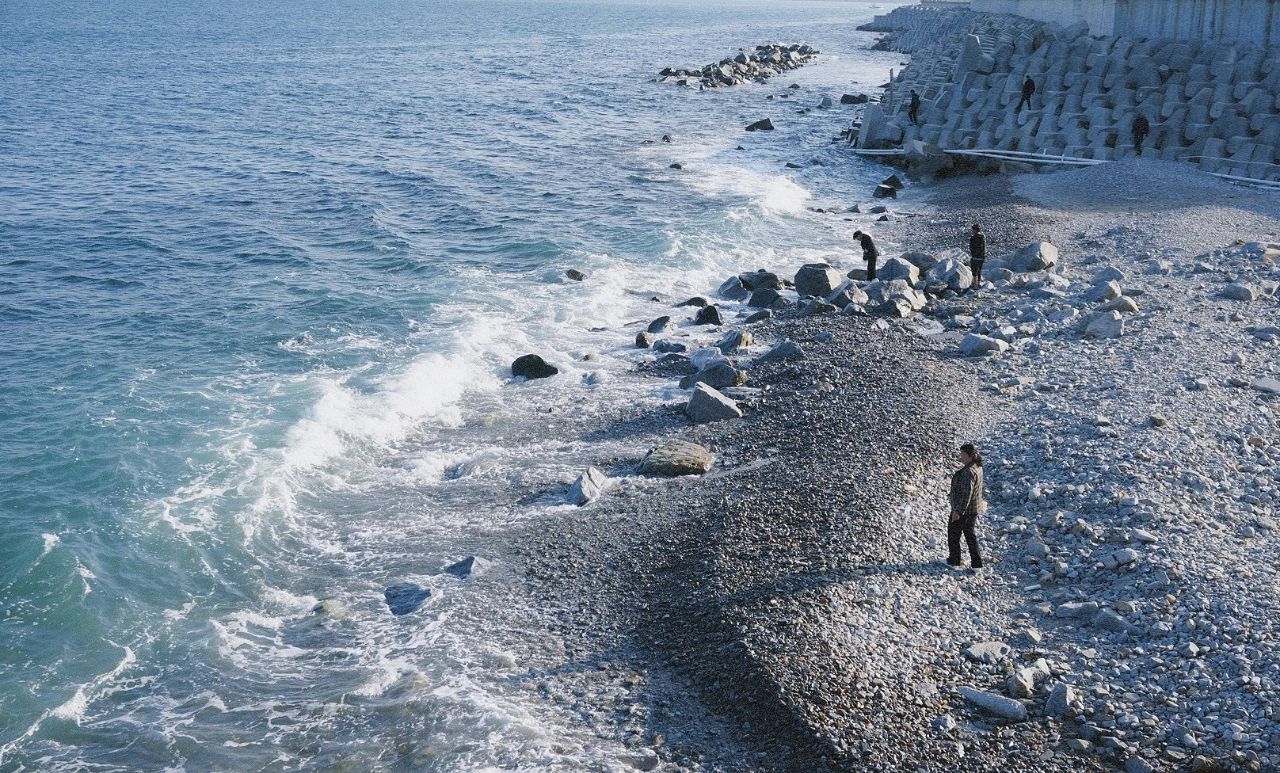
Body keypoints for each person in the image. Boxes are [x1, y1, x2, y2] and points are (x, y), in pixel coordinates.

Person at [947, 443, 985, 569]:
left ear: (970, 456)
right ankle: (976, 564)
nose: (961, 457)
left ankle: (954, 560)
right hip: (974, 508)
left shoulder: (967, 472)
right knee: (970, 535)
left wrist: (957, 511)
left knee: (953, 534)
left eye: (963, 454)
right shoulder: (977, 467)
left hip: (964, 510)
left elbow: (965, 494)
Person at [968, 223, 986, 291]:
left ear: (975, 230)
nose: (972, 231)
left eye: (972, 230)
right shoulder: (983, 237)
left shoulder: (973, 238)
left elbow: (971, 248)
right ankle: (978, 283)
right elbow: (984, 247)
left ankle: (974, 285)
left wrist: (973, 254)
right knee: (979, 271)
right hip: (982, 257)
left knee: (974, 271)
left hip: (975, 257)